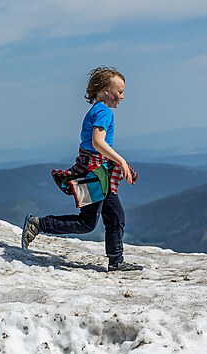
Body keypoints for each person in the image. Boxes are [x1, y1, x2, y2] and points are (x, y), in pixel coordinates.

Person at [22, 66, 143, 272]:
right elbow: (98, 142)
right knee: (87, 223)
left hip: (96, 171)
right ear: (106, 89)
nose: (122, 97)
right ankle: (38, 224)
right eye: (120, 91)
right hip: (95, 174)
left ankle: (116, 261)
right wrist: (121, 162)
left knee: (115, 216)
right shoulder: (104, 112)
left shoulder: (96, 110)